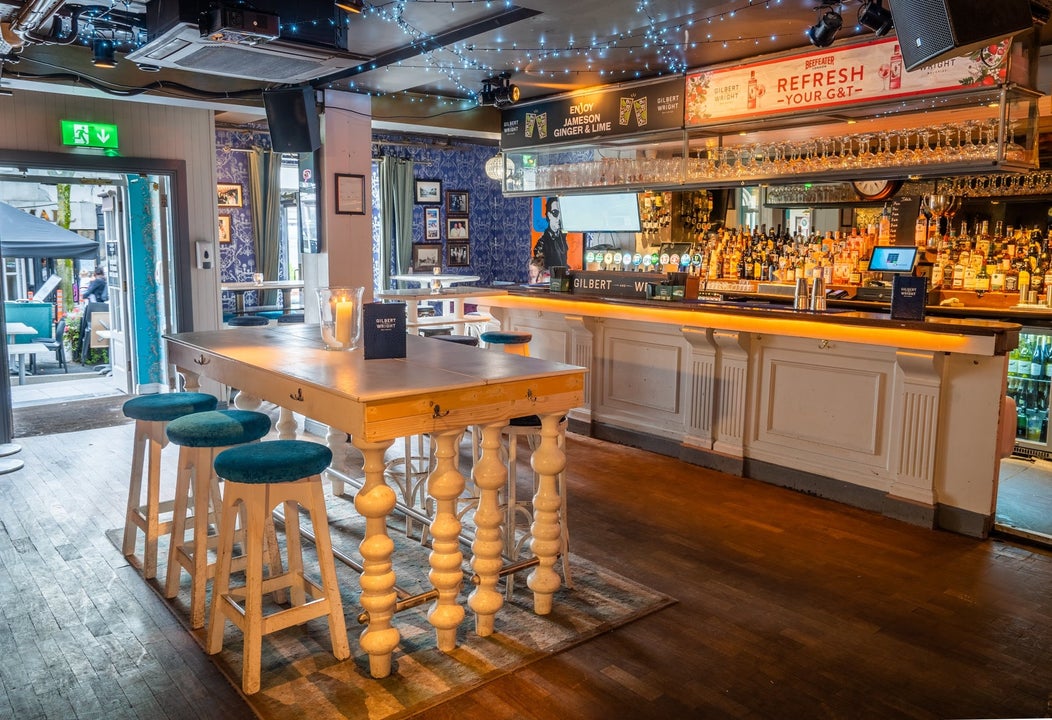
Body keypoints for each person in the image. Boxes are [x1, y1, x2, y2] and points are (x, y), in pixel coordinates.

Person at [533, 197, 567, 271]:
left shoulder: (563, 236)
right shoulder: (542, 243)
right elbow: (538, 268)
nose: (559, 218)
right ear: (549, 215)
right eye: (555, 213)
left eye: (561, 214)